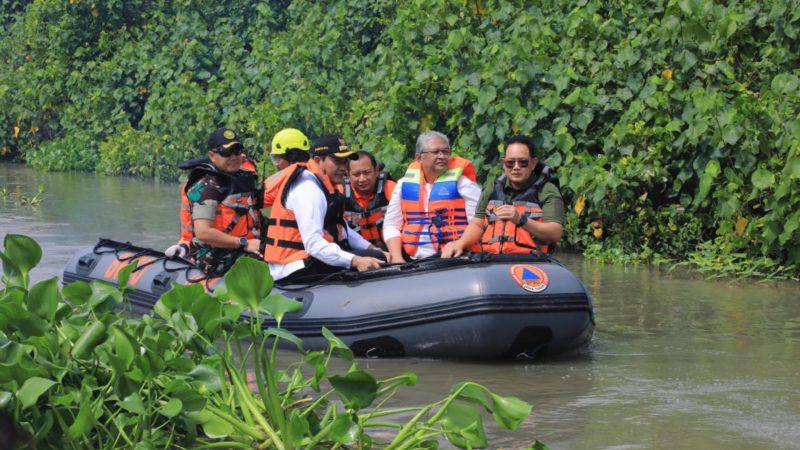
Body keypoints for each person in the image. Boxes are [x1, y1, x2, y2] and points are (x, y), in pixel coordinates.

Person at [263, 134, 385, 282]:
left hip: (308, 259)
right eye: (336, 161)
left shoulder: (324, 183)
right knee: (376, 258)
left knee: (378, 253)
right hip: (293, 266)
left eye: (344, 161)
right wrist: (355, 260)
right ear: (317, 160)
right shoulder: (308, 188)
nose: (342, 167)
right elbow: (313, 244)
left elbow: (342, 228)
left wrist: (371, 248)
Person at [441, 135, 564, 257]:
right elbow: (477, 224)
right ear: (504, 164)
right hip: (492, 260)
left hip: (530, 262)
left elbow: (555, 233)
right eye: (510, 162)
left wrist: (521, 220)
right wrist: (460, 243)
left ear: (533, 163)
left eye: (523, 162)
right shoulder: (492, 187)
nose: (516, 167)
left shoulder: (547, 190)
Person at [383, 131, 481, 263]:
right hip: (412, 259)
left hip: (454, 257)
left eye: (445, 152)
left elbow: (479, 223)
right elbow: (391, 225)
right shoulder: (403, 185)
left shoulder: (464, 184)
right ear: (419, 158)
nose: (442, 156)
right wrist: (397, 257)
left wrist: (460, 243)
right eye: (436, 152)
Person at [181, 127, 263, 275]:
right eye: (226, 152)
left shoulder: (243, 179)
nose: (233, 157)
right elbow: (203, 232)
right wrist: (244, 244)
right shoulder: (207, 187)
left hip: (244, 247)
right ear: (212, 155)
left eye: (237, 150)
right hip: (214, 257)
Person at [166, 147, 258, 259]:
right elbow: (193, 230)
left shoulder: (248, 183)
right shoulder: (202, 189)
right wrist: (184, 245)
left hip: (250, 245)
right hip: (220, 250)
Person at [342, 151, 396, 249]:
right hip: (357, 256)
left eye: (367, 172)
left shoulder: (390, 188)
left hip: (392, 249)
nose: (362, 179)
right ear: (348, 174)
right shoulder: (340, 194)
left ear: (376, 171)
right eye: (356, 174)